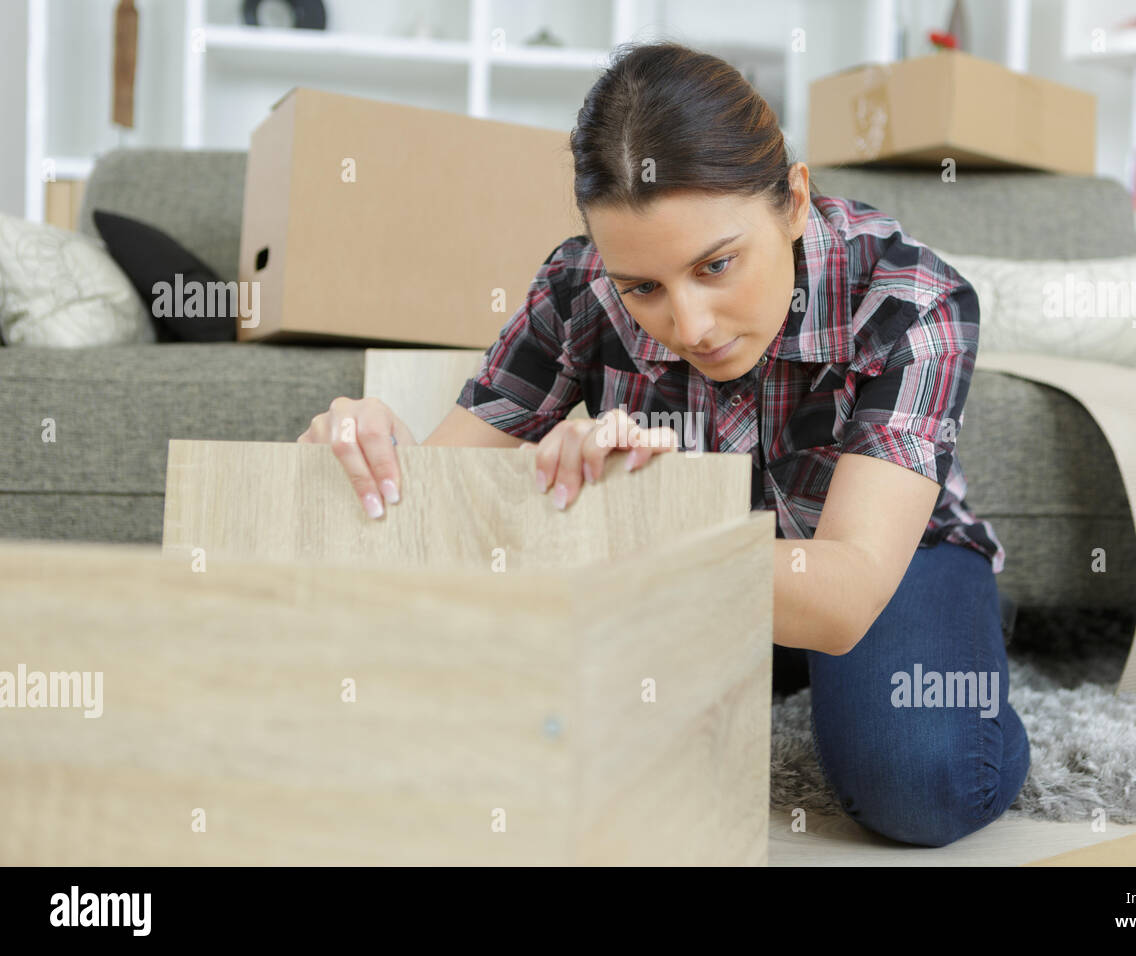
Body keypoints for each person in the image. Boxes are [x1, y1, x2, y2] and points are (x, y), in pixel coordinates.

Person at [297, 40, 1029, 848]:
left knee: (922, 781)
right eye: (644, 287)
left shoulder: (912, 300)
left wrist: (624, 522)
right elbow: (441, 490)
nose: (691, 326)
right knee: (522, 734)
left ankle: (958, 649)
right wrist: (377, 452)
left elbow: (844, 593)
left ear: (793, 201)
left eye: (716, 266)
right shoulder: (580, 287)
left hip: (879, 562)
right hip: (682, 575)